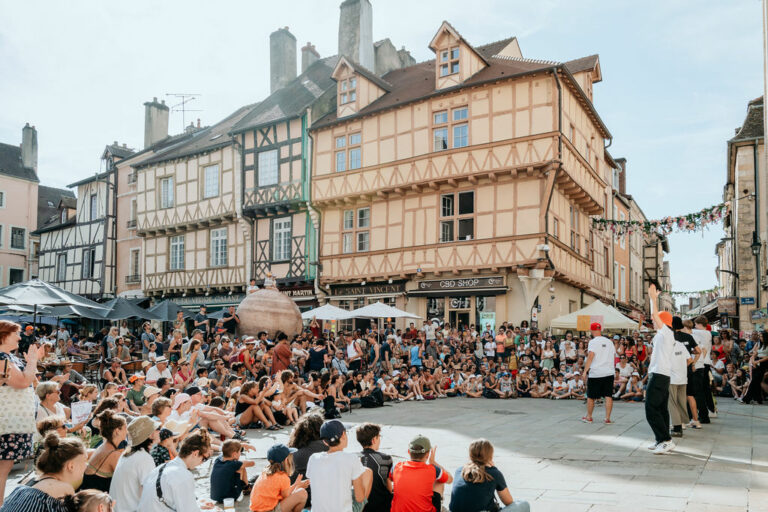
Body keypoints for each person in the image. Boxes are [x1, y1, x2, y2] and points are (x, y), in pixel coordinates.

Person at [0, 320, 39, 506]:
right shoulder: (2, 358)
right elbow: (23, 382)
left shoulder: (8, 357)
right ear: (4, 336)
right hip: (6, 420)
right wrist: (32, 362)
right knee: (2, 467)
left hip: (11, 419)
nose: (19, 336)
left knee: (4, 467)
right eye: (16, 333)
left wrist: (31, 365)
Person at [0, 434, 87, 512]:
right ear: (71, 466)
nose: (86, 465)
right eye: (84, 461)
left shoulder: (28, 480)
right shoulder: (64, 488)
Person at [137, 429, 215, 512]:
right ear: (195, 453)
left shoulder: (161, 468)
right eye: (204, 459)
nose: (202, 463)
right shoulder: (183, 475)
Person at [306, 419, 372, 512]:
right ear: (343, 435)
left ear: (325, 442)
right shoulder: (352, 458)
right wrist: (356, 474)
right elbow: (360, 498)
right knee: (368, 472)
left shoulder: (313, 458)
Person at [449, 439, 529, 512]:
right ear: (490, 455)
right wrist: (493, 469)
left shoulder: (459, 470)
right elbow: (508, 501)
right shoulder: (494, 473)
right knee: (524, 504)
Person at [645, 284, 676, 454]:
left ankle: (664, 439)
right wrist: (653, 301)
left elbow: (655, 316)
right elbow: (654, 316)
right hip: (661, 374)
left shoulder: (666, 333)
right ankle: (662, 439)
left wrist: (653, 299)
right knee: (661, 409)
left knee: (651, 408)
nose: (652, 321)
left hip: (659, 375)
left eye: (656, 320)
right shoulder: (663, 335)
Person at [110, 416, 161, 512]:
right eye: (157, 429)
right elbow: (147, 497)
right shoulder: (144, 458)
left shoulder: (128, 453)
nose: (160, 432)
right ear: (150, 435)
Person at [391, 434, 452, 512]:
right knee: (440, 481)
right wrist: (433, 462)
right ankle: (439, 506)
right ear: (428, 454)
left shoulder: (397, 467)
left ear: (409, 452)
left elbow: (388, 479)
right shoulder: (433, 469)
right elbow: (450, 479)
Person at [249, 443, 308, 512]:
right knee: (302, 493)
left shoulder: (265, 472)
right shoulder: (282, 477)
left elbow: (284, 494)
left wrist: (295, 485)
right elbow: (286, 497)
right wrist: (297, 486)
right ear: (286, 460)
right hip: (269, 510)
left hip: (255, 510)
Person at [80, 410, 128, 492]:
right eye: (125, 428)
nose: (127, 432)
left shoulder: (105, 446)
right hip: (94, 499)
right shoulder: (114, 454)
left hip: (89, 492)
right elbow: (126, 480)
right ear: (117, 431)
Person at [581, 322, 616, 424]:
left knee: (591, 396)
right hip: (608, 372)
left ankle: (589, 417)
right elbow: (613, 356)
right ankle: (607, 418)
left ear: (592, 330)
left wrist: (585, 371)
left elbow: (591, 356)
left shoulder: (593, 342)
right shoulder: (609, 342)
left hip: (596, 372)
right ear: (600, 330)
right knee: (608, 395)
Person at [356, 423, 393, 512]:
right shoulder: (385, 458)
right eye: (379, 437)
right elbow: (388, 485)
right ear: (374, 440)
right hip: (381, 505)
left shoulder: (354, 458)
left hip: (361, 506)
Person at [211, 440, 255, 504]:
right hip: (231, 497)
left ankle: (244, 486)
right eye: (240, 451)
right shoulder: (234, 464)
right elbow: (252, 463)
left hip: (216, 496)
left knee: (239, 465)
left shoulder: (218, 459)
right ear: (234, 454)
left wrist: (244, 445)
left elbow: (227, 447)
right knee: (241, 466)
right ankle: (246, 488)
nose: (240, 453)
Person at [669, 335, 692, 438]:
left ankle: (677, 428)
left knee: (672, 403)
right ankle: (683, 422)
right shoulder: (680, 344)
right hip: (683, 378)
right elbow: (690, 360)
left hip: (672, 379)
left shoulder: (667, 346)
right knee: (681, 402)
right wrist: (681, 368)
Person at [741, 330, 768, 404]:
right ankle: (758, 399)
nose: (760, 337)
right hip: (756, 362)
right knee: (756, 381)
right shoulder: (759, 343)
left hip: (763, 363)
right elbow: (754, 353)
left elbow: (767, 357)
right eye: (759, 336)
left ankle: (747, 399)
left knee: (754, 381)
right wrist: (753, 361)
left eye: (761, 336)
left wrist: (757, 361)